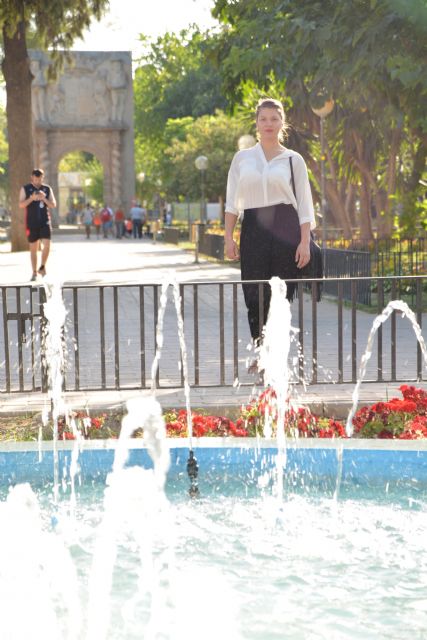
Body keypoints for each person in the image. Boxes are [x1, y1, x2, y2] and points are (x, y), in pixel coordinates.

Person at [224, 97, 316, 369]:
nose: (268, 124)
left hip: (286, 227)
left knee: (280, 293)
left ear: (282, 123)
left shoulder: (293, 160)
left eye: (274, 119)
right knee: (254, 293)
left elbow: (305, 204)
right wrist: (228, 237)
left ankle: (273, 356)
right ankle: (260, 351)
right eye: (263, 119)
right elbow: (232, 203)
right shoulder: (242, 159)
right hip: (253, 227)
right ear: (256, 122)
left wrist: (305, 242)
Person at [19, 168, 56, 281]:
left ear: (42, 178)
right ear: (32, 178)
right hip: (32, 223)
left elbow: (53, 204)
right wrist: (32, 198)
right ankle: (34, 272)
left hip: (45, 222)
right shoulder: (25, 188)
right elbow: (21, 204)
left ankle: (42, 267)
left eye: (39, 180)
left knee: (47, 245)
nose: (37, 182)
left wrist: (44, 198)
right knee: (33, 249)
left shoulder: (47, 189)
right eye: (35, 180)